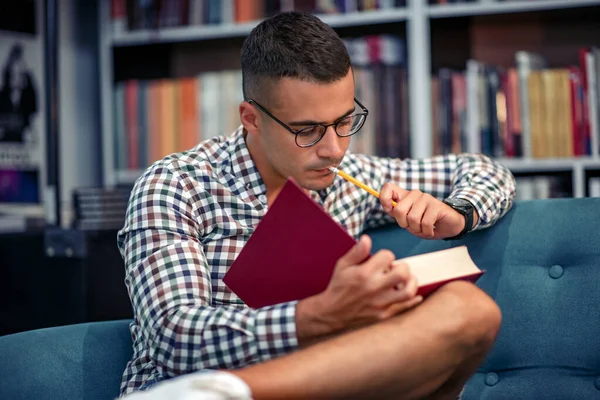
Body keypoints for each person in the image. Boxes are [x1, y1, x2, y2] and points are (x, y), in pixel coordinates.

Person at [117, 11, 516, 399]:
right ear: (251, 118)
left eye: (344, 122)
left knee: (470, 310)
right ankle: (227, 390)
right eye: (307, 130)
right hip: (198, 387)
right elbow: (174, 338)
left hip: (328, 382)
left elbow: (485, 171)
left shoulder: (350, 179)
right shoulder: (176, 186)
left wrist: (458, 214)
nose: (334, 150)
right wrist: (318, 316)